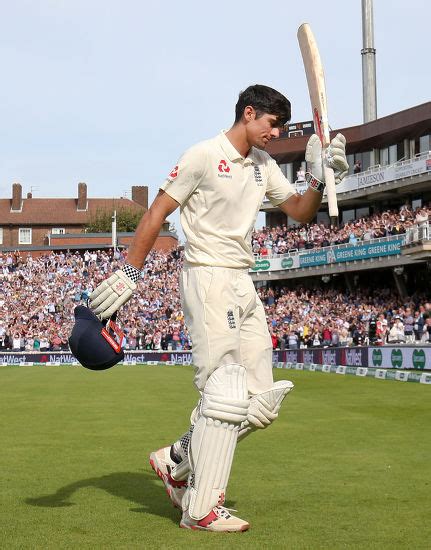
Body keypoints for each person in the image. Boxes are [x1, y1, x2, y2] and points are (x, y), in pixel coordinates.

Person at [88, 84, 349, 532]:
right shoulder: (203, 155)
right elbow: (156, 214)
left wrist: (321, 176)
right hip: (207, 275)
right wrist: (131, 273)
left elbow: (301, 212)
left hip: (243, 280)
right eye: (272, 124)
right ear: (249, 114)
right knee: (224, 394)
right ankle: (200, 509)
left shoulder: (263, 166)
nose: (277, 133)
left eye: (281, 126)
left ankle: (177, 459)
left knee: (261, 401)